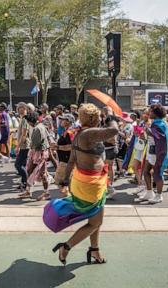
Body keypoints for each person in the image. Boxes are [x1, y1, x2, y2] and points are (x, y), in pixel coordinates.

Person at [53, 103, 118, 265]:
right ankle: (66, 247)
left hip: (87, 182)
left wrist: (65, 181)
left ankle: (95, 250)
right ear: (96, 118)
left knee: (96, 220)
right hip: (91, 185)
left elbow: (71, 160)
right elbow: (114, 130)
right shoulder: (89, 133)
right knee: (95, 223)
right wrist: (110, 116)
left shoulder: (80, 133)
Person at [137, 104, 168, 204]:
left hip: (158, 152)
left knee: (157, 174)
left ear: (156, 114)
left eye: (151, 112)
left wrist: (147, 130)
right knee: (146, 171)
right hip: (151, 151)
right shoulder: (156, 122)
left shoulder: (160, 123)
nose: (148, 113)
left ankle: (159, 195)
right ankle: (149, 192)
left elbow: (159, 136)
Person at [18, 111, 50, 201]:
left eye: (28, 121)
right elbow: (47, 137)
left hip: (38, 153)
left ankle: (45, 192)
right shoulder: (41, 126)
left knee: (39, 172)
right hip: (40, 152)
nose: (28, 123)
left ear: (31, 121)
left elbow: (35, 144)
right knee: (32, 170)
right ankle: (29, 190)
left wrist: (30, 144)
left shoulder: (37, 129)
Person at [52, 113, 77, 197]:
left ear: (68, 121)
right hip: (65, 160)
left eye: (63, 119)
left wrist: (58, 147)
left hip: (66, 161)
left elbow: (71, 147)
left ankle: (68, 198)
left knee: (59, 180)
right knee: (66, 182)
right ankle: (70, 198)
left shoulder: (70, 132)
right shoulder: (66, 131)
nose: (61, 121)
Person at [15, 102, 32, 193]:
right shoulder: (22, 119)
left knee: (18, 165)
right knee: (23, 165)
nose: (19, 109)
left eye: (21, 107)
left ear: (25, 109)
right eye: (18, 107)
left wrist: (18, 146)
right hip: (23, 145)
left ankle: (26, 183)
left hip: (25, 145)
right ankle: (23, 183)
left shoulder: (25, 119)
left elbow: (24, 134)